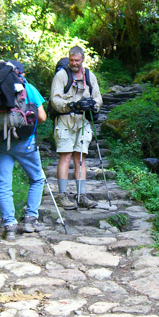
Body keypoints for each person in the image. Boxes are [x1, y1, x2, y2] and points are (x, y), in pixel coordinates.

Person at [0, 60, 47, 240]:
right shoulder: (27, 88)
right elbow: (42, 116)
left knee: (4, 184)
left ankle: (10, 226)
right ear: (21, 73)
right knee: (37, 178)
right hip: (24, 142)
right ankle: (30, 220)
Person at [50, 46, 103, 209]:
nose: (74, 63)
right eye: (71, 60)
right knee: (65, 157)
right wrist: (72, 104)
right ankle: (62, 195)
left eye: (77, 61)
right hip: (65, 121)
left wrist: (93, 105)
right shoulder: (61, 76)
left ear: (83, 60)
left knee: (81, 159)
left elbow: (98, 98)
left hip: (83, 122)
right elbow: (55, 100)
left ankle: (81, 195)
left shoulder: (89, 76)